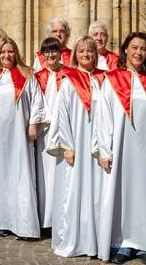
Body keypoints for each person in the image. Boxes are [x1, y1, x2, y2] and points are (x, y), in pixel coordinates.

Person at [96, 32, 146, 265]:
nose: (139, 53)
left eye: (143, 49)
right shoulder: (111, 79)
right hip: (121, 146)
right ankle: (123, 243)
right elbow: (104, 116)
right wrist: (104, 151)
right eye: (134, 48)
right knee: (122, 193)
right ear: (125, 49)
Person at [0, 37, 45, 239]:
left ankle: (23, 224)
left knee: (20, 174)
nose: (7, 55)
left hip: (19, 135)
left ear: (16, 53)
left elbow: (37, 102)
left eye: (10, 51)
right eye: (3, 52)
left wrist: (33, 124)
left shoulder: (27, 74)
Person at [48, 36, 105, 257]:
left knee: (98, 191)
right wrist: (67, 145)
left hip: (98, 145)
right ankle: (76, 238)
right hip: (77, 144)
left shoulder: (104, 78)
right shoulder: (69, 79)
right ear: (75, 55)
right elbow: (62, 114)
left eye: (90, 51)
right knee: (75, 190)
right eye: (81, 51)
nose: (86, 55)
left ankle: (98, 240)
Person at [33, 37, 69, 233]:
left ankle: (61, 217)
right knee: (45, 174)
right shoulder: (37, 77)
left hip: (64, 131)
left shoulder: (69, 75)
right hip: (45, 132)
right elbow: (35, 104)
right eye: (46, 52)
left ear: (60, 52)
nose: (50, 55)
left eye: (54, 51)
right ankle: (45, 218)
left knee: (62, 173)